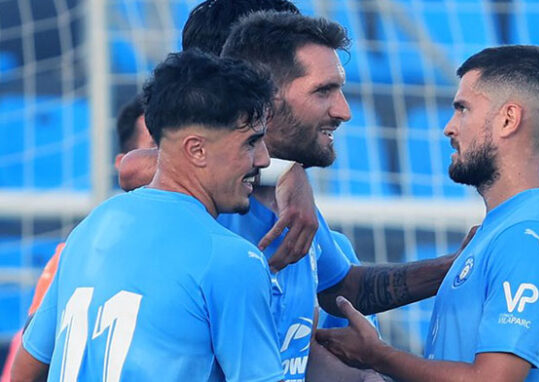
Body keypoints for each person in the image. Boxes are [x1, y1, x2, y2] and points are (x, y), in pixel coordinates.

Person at [119, 6, 466, 381]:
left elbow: (343, 289)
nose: (345, 111)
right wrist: (285, 171)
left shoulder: (303, 218)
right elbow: (133, 166)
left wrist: (458, 267)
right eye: (323, 91)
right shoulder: (203, 205)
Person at [316, 45, 539, 382]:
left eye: (462, 109)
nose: (449, 127)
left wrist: (379, 356)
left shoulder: (533, 236)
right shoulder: (497, 232)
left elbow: (491, 380)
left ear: (508, 119)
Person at [11, 49, 284, 381]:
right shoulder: (230, 258)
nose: (264, 160)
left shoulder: (92, 226)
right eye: (251, 142)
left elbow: (25, 369)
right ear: (196, 149)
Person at [0, 95, 155, 382]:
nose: (169, 165)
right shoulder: (74, 252)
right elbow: (20, 371)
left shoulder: (221, 246)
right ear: (124, 165)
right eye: (154, 149)